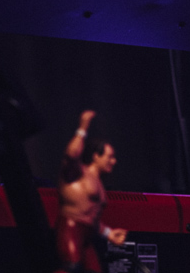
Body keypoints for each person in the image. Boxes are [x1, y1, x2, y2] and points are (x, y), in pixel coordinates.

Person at [54, 110, 128, 273]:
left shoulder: (99, 184)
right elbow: (71, 154)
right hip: (71, 229)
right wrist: (82, 129)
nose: (113, 161)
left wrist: (108, 233)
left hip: (87, 236)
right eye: (110, 157)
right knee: (71, 269)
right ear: (96, 156)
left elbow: (91, 217)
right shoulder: (77, 173)